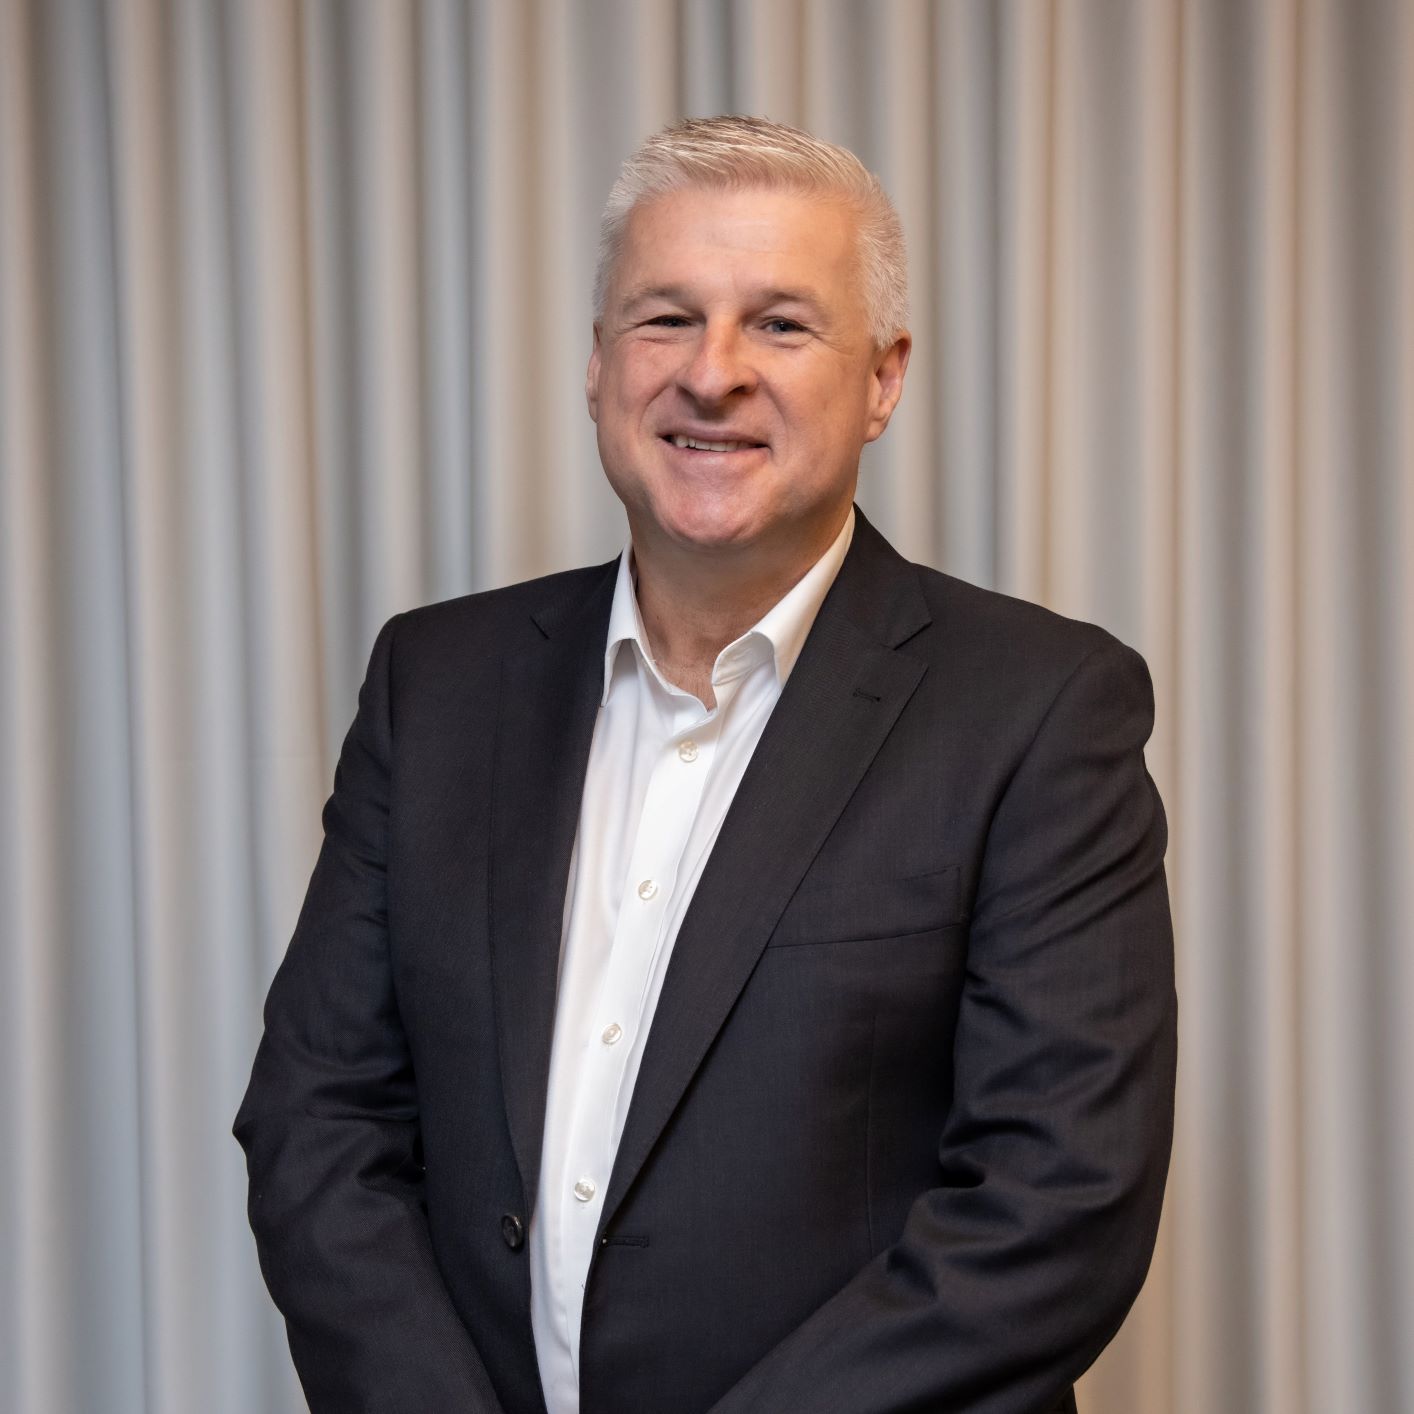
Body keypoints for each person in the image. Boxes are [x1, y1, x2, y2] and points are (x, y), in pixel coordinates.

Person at [235, 115, 1175, 1414]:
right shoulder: (435, 683)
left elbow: (1056, 1200)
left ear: (883, 379)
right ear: (597, 364)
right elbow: (319, 1118)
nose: (711, 373)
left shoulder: (1037, 708)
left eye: (779, 324)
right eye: (665, 318)